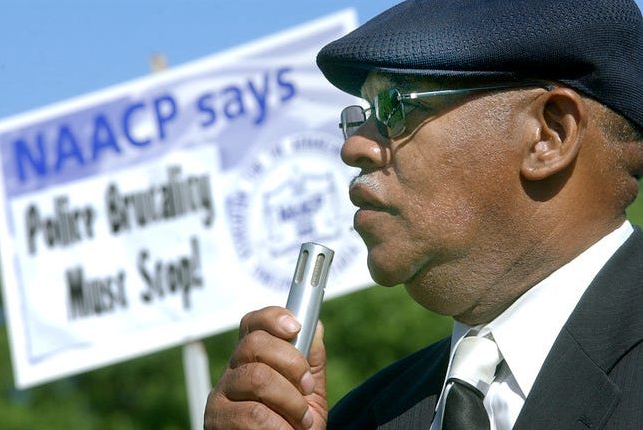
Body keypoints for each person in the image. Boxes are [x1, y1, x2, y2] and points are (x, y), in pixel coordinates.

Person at [204, 0, 643, 428]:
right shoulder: (359, 417)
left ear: (549, 134)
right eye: (361, 116)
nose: (353, 146)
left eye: (395, 108)